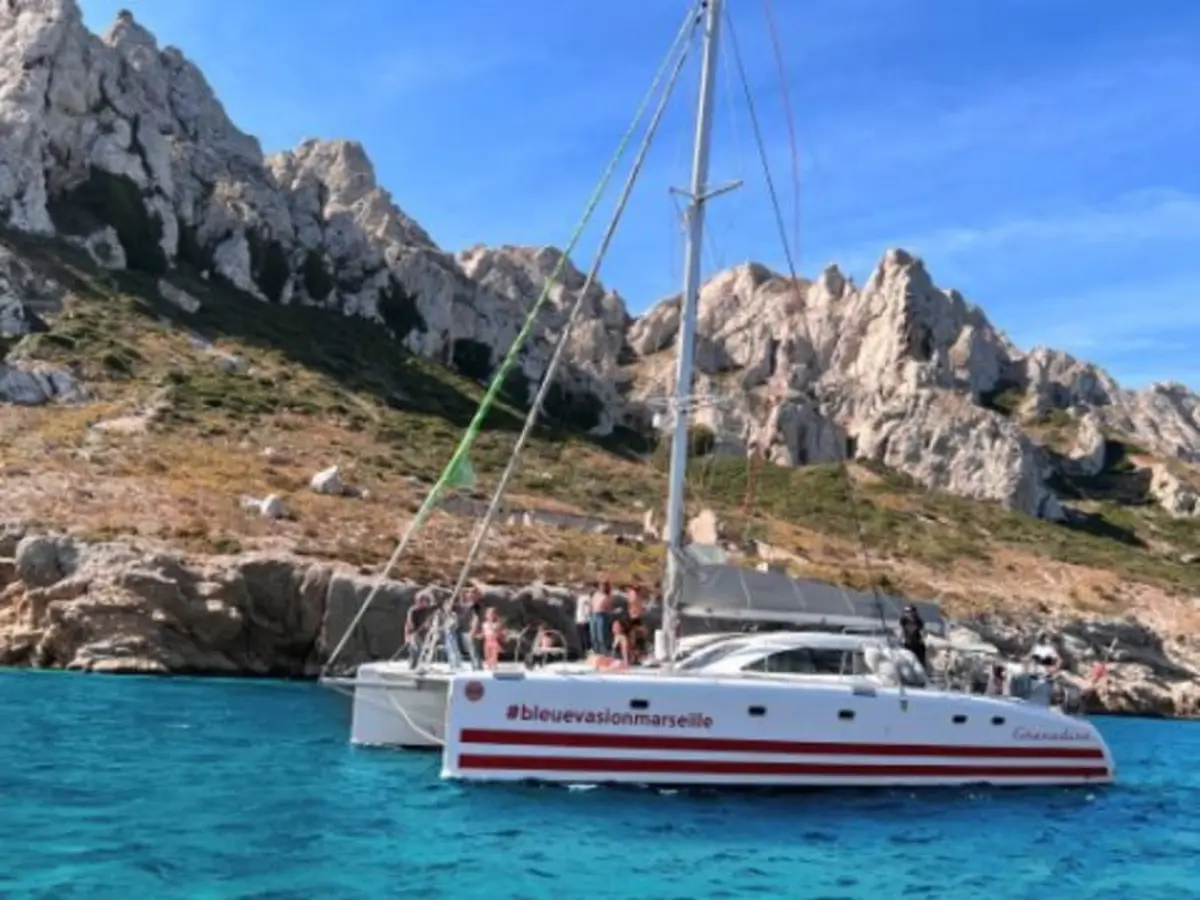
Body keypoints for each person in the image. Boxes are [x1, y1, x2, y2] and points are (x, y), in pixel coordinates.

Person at [403, 595, 431, 666]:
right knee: (415, 648)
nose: (426, 604)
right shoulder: (413, 610)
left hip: (421, 632)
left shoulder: (425, 610)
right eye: (425, 601)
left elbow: (426, 621)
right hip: (413, 631)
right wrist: (413, 632)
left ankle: (419, 664)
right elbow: (410, 623)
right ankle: (413, 664)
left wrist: (426, 626)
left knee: (422, 648)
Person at [589, 578, 613, 656]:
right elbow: (591, 604)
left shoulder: (607, 596)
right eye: (600, 585)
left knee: (601, 636)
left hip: (602, 615)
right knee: (593, 635)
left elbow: (608, 607)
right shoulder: (596, 594)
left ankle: (603, 653)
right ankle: (596, 652)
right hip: (594, 614)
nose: (601, 587)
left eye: (603, 585)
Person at [898, 604, 927, 669]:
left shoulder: (918, 621)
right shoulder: (903, 621)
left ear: (914, 612)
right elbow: (901, 631)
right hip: (908, 644)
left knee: (920, 662)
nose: (908, 613)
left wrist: (923, 638)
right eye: (906, 612)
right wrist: (899, 640)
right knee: (907, 661)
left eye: (909, 611)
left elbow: (922, 632)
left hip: (917, 645)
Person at [574, 590, 592, 658]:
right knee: (582, 637)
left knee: (584, 637)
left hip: (583, 620)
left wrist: (585, 618)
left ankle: (585, 653)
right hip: (580, 620)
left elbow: (586, 610)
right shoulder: (581, 598)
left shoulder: (585, 598)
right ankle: (583, 653)